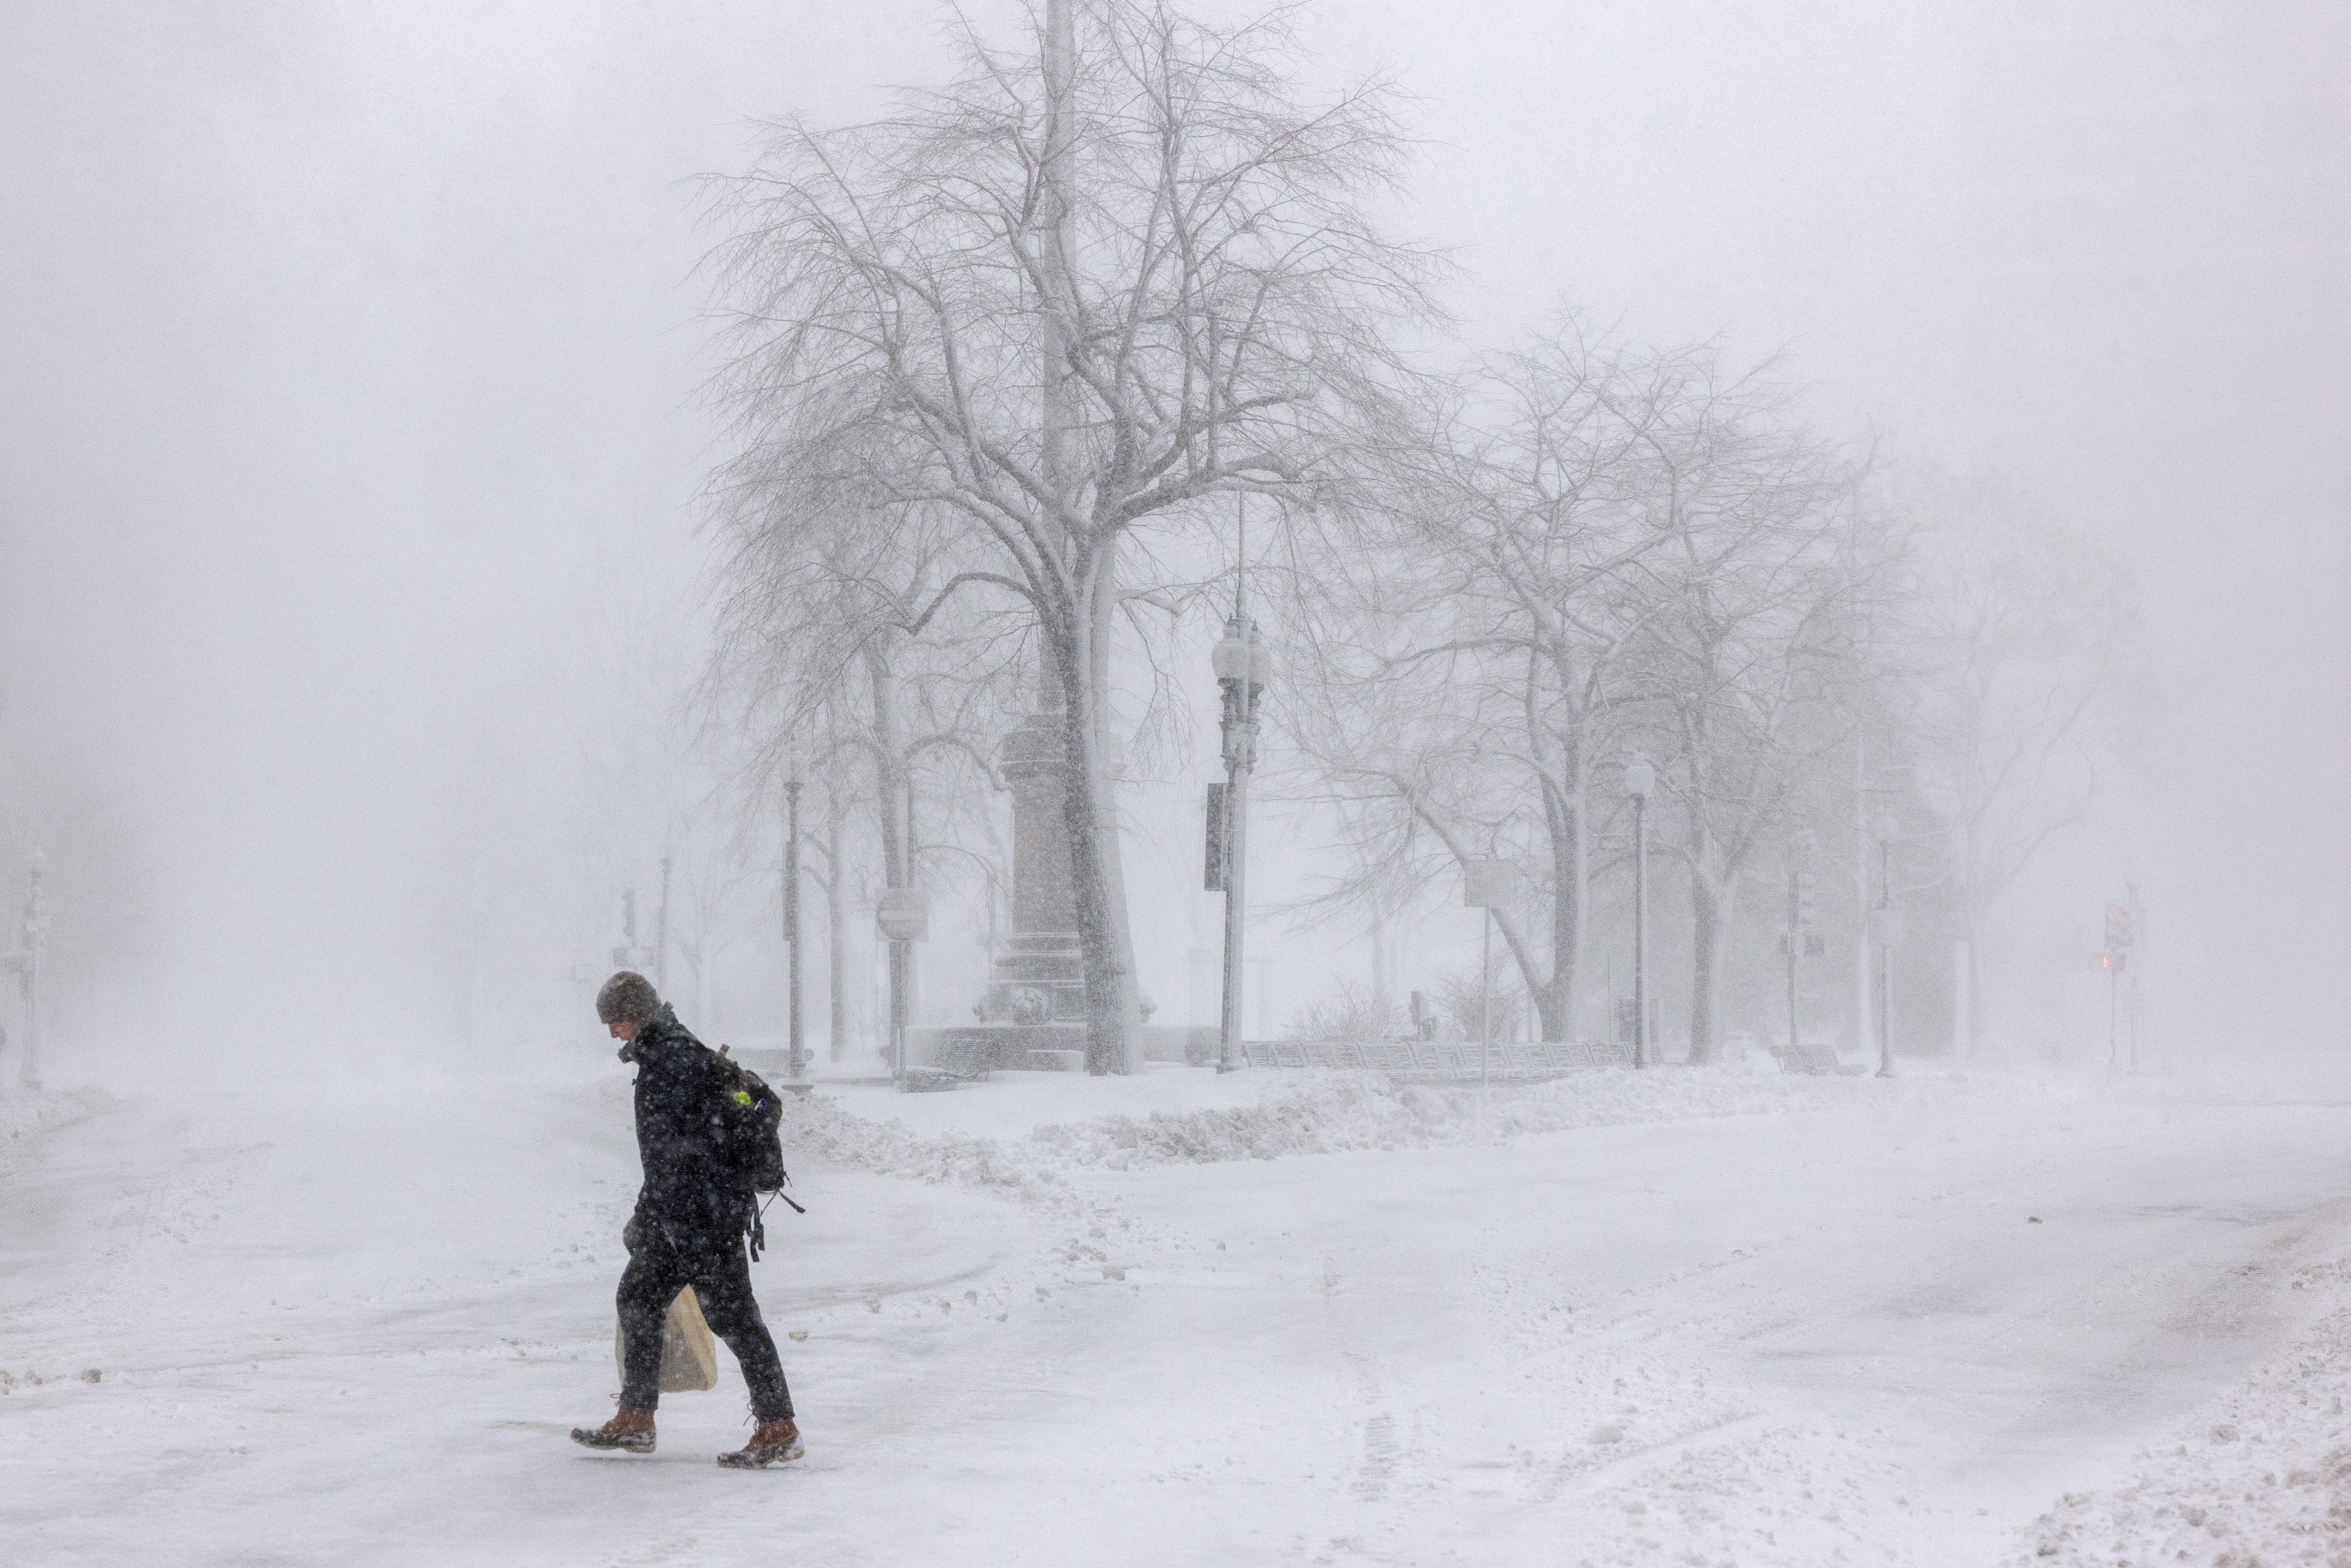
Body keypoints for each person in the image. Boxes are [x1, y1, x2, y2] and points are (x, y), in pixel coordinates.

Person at [570, 971, 803, 1467]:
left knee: (736, 1318)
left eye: (617, 1019)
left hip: (703, 1219)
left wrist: (684, 1214)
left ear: (640, 1012)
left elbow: (688, 1154)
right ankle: (636, 1416)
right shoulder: (660, 1056)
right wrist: (649, 1217)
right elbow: (665, 1157)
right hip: (675, 1217)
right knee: (638, 1296)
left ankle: (778, 1424)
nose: (612, 1030)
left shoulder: (676, 1060)